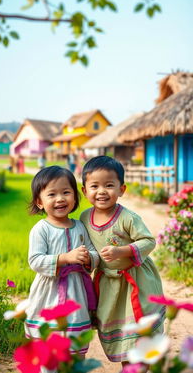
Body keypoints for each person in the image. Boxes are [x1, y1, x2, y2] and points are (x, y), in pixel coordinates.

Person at [80, 156, 165, 366]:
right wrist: (88, 261)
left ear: (122, 189)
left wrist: (123, 251)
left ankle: (137, 365)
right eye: (94, 186)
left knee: (138, 333)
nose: (101, 191)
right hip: (108, 285)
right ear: (84, 191)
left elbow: (148, 241)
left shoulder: (128, 218)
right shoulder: (83, 218)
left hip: (135, 281)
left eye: (109, 185)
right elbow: (89, 249)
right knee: (117, 331)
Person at [25, 166, 99, 370]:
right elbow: (35, 260)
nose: (60, 199)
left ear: (75, 197)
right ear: (39, 202)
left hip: (76, 293)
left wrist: (88, 258)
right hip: (48, 293)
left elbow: (94, 253)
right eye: (52, 194)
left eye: (66, 192)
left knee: (75, 346)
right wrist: (65, 258)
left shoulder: (79, 227)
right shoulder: (41, 229)